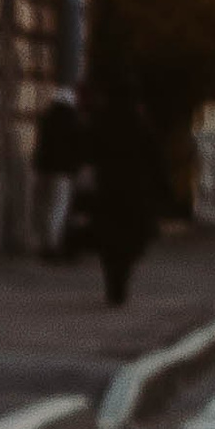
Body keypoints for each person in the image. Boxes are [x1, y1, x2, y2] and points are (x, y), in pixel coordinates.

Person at [82, 88, 164, 310]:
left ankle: (114, 283)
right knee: (129, 241)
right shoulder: (141, 127)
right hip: (134, 194)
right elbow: (155, 161)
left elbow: (89, 151)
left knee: (110, 242)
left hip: (109, 191)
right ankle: (120, 282)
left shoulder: (104, 124)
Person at [31, 87, 85, 256]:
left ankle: (42, 240)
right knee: (57, 207)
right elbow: (78, 147)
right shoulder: (73, 121)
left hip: (45, 169)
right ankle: (52, 244)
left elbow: (40, 145)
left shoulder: (46, 119)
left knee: (43, 206)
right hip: (63, 171)